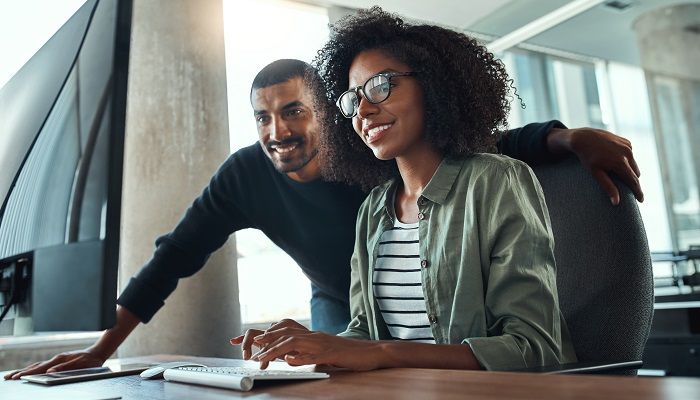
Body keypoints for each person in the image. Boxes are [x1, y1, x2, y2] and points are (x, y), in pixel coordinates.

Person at [6, 52, 637, 378]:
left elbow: (481, 148)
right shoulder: (245, 175)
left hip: (441, 300)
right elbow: (172, 257)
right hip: (350, 304)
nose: (277, 131)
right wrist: (101, 349)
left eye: (294, 111)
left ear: (325, 114)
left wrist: (567, 137)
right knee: (325, 375)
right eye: (263, 117)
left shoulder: (370, 149)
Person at [231, 8, 578, 371]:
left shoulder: (496, 181)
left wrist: (385, 352)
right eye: (353, 99)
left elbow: (534, 349)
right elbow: (365, 334)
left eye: (381, 86)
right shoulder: (373, 210)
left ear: (431, 84)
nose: (363, 109)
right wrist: (311, 345)